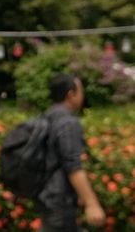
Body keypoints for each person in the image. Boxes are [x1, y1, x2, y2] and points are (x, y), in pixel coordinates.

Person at [39, 74, 105, 231]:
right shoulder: (67, 122)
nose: (83, 95)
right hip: (60, 199)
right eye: (81, 91)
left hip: (45, 196)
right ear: (71, 94)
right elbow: (72, 165)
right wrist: (92, 203)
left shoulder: (46, 116)